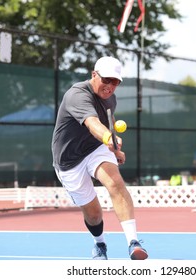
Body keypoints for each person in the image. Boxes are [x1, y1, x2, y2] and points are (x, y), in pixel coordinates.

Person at [51, 56, 148, 260]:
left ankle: (134, 242)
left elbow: (108, 119)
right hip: (68, 161)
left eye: (116, 82)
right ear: (94, 75)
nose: (110, 86)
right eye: (107, 80)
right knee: (93, 213)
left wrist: (114, 147)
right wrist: (107, 137)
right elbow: (93, 122)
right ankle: (100, 244)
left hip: (96, 148)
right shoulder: (77, 95)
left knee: (115, 182)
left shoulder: (109, 96)